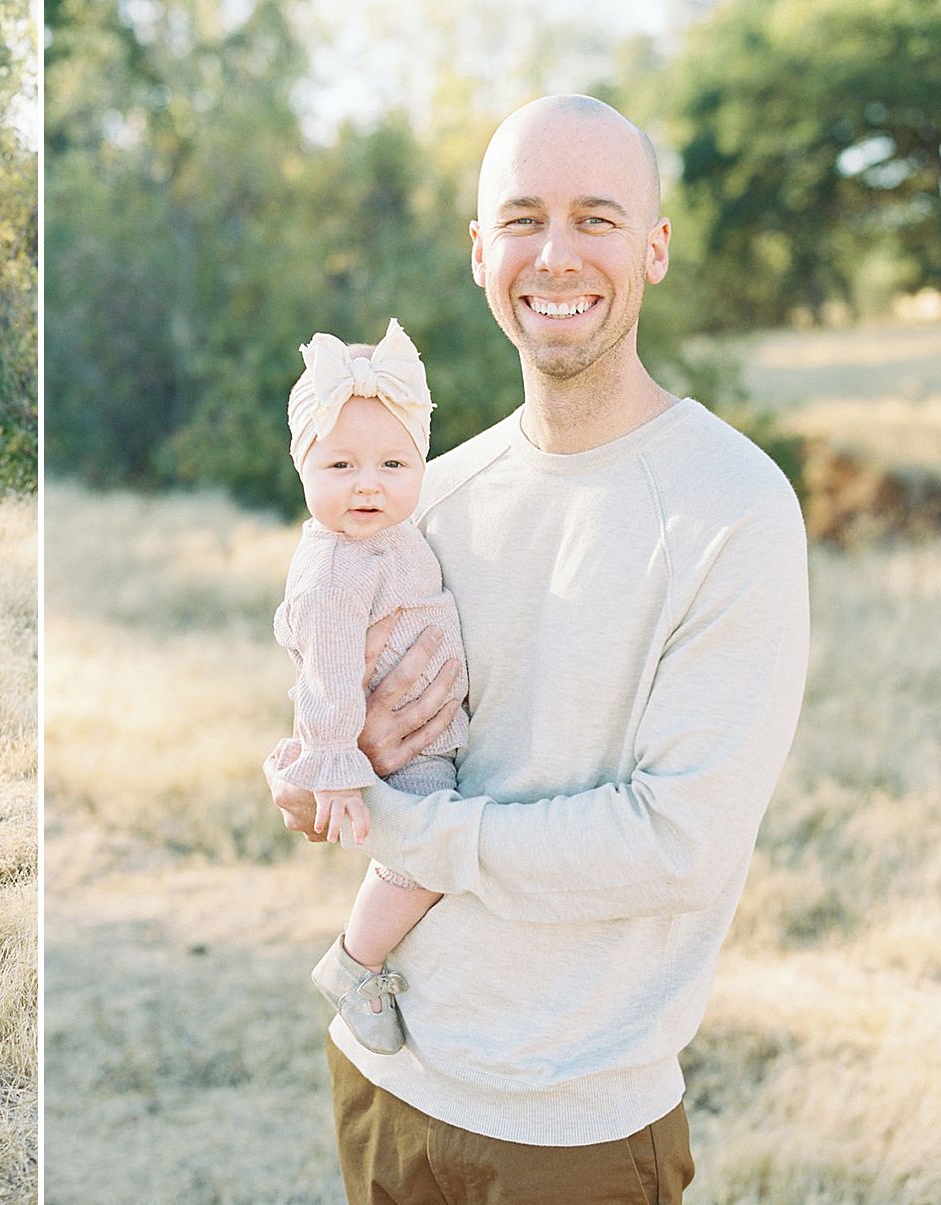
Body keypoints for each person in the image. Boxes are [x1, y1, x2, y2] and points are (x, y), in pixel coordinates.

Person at [267, 95, 809, 1203]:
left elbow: (674, 843)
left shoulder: (732, 506)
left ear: (655, 246)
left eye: (597, 218)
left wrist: (405, 821)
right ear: (479, 253)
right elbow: (335, 725)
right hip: (386, 1076)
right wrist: (332, 774)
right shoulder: (424, 494)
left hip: (571, 1126)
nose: (555, 254)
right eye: (522, 219)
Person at [270, 318, 468, 1056]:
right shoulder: (334, 568)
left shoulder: (394, 533)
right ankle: (357, 961)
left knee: (432, 850)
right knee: (427, 855)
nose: (368, 485)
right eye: (341, 467)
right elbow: (323, 683)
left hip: (436, 731)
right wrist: (338, 774)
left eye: (392, 464)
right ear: (303, 468)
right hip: (404, 746)